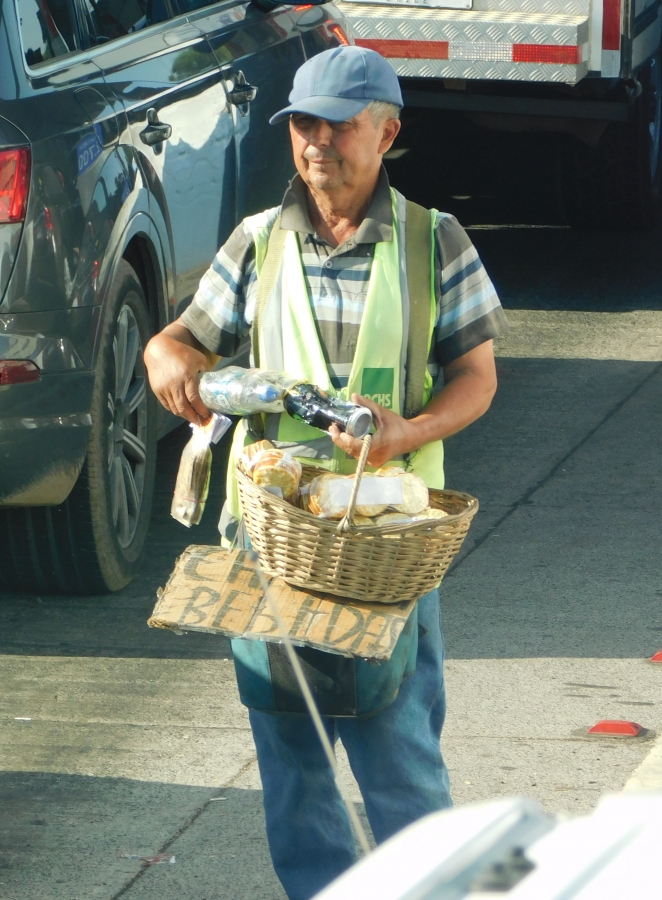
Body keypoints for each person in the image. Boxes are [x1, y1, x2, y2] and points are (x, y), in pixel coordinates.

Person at [143, 45, 506, 900]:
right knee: (293, 757)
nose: (317, 144)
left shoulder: (433, 242)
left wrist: (409, 429)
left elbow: (478, 379)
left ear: (387, 133)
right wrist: (167, 359)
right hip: (274, 546)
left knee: (399, 756)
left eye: (339, 126)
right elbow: (182, 341)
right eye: (304, 124)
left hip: (382, 544)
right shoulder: (258, 242)